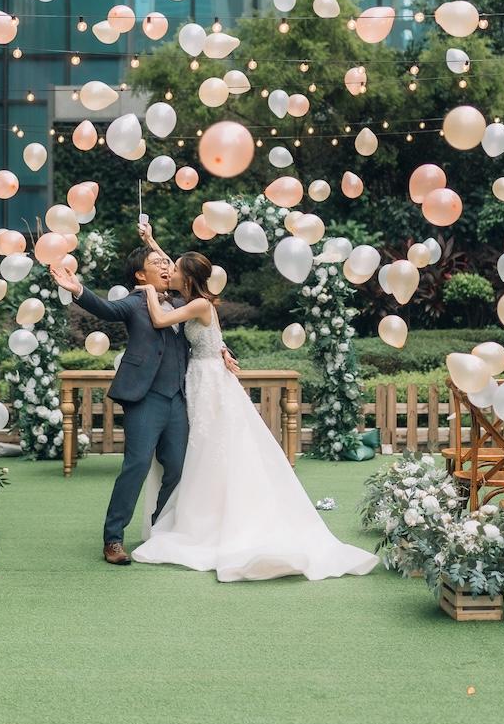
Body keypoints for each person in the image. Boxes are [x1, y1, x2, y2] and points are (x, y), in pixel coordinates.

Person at [125, 243, 377, 582]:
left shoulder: (198, 303)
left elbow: (159, 319)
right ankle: (206, 511)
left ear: (187, 277)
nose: (168, 270)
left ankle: (214, 519)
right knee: (204, 446)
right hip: (202, 376)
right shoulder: (198, 301)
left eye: (175, 268)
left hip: (209, 380)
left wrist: (145, 291)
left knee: (212, 445)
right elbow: (212, 336)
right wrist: (152, 240)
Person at [48, 238, 238, 566]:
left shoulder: (183, 300)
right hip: (144, 396)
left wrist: (222, 349)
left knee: (177, 467)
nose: (165, 266)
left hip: (179, 397)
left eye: (167, 264)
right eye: (157, 264)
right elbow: (106, 309)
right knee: (136, 465)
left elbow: (206, 331)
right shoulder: (134, 302)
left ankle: (160, 529)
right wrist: (77, 289)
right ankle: (113, 538)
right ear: (140, 275)